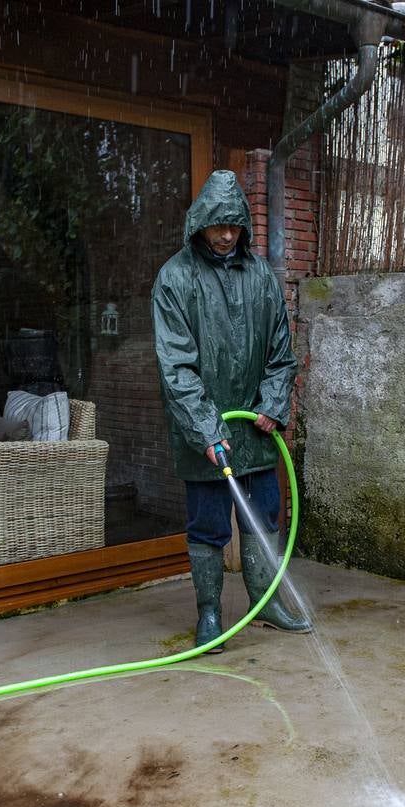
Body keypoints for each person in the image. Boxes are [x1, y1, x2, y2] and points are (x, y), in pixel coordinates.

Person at [152, 169, 312, 653]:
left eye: (234, 226)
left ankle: (265, 605)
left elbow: (282, 352)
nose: (226, 234)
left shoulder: (261, 275)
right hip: (205, 438)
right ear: (200, 223)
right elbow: (175, 366)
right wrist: (206, 427)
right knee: (207, 528)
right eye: (218, 225)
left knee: (264, 518)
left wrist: (272, 404)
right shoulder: (175, 278)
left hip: (257, 435)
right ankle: (209, 615)